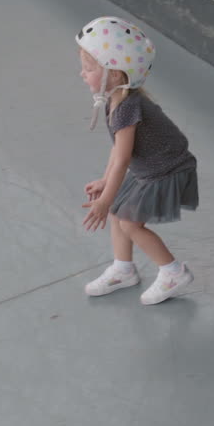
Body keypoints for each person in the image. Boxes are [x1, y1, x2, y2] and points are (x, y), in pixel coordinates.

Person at [76, 16, 198, 305]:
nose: (82, 74)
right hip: (148, 167)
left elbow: (121, 159)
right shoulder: (117, 100)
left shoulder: (126, 108)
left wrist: (106, 198)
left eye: (89, 68)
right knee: (120, 215)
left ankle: (173, 272)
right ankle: (123, 269)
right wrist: (107, 184)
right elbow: (118, 152)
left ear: (115, 75)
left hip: (165, 169)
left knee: (130, 222)